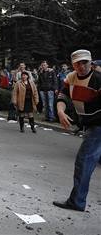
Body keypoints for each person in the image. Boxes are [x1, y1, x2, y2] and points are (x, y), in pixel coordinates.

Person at [53, 49, 101, 212]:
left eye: (84, 62)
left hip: (98, 125)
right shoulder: (70, 78)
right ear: (73, 64)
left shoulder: (98, 79)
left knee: (84, 161)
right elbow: (62, 97)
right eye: (77, 63)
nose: (81, 67)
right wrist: (60, 111)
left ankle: (77, 202)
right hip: (90, 124)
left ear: (91, 62)